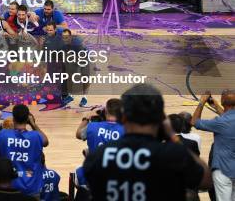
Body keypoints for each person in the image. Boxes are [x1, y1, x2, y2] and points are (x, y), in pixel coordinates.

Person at [83, 84, 212, 200]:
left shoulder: (99, 155)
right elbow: (206, 181)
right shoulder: (174, 155)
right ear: (161, 118)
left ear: (123, 117)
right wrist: (172, 136)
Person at [0, 104, 49, 197]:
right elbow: (45, 141)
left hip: (10, 187)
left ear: (13, 118)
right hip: (31, 186)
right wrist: (33, 124)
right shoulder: (36, 136)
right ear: (27, 119)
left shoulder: (3, 135)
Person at [192, 90, 235, 200]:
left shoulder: (220, 122)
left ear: (223, 101)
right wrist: (215, 105)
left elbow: (194, 122)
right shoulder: (223, 121)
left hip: (223, 170)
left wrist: (202, 101)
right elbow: (227, 119)